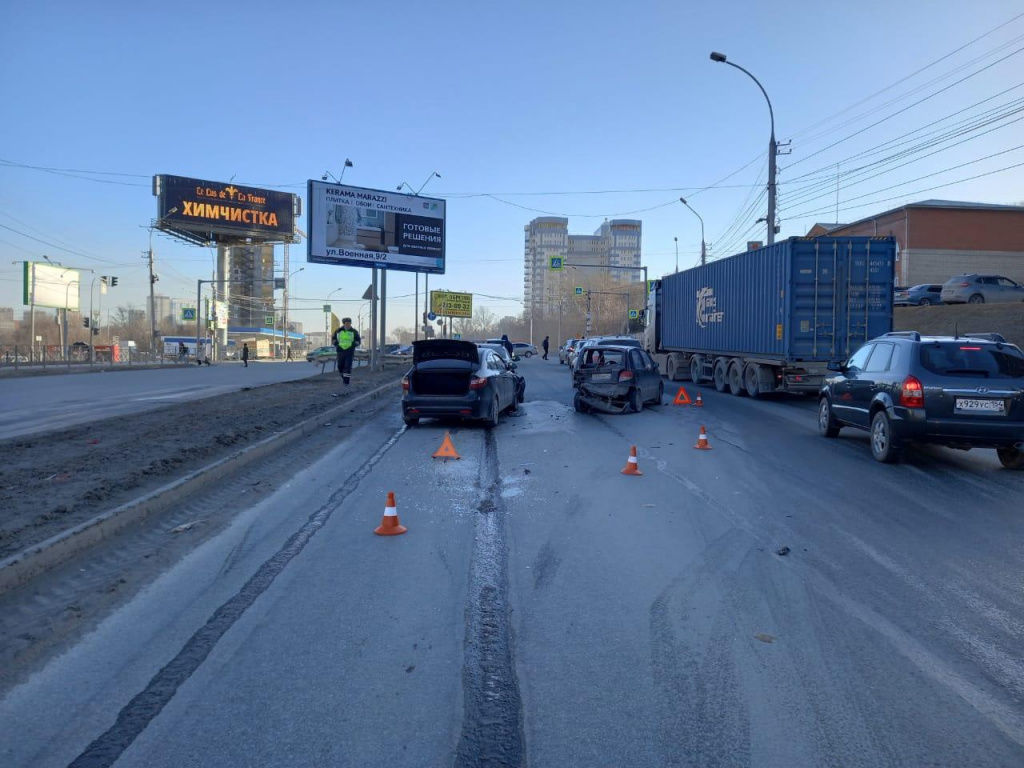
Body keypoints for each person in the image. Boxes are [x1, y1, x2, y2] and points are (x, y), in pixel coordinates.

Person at [333, 317, 362, 386]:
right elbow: (333, 339)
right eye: (347, 323)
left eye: (349, 323)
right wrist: (335, 342)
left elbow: (358, 340)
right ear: (344, 324)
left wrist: (355, 343)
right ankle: (344, 378)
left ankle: (346, 382)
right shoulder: (338, 331)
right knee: (340, 366)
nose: (348, 325)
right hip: (340, 351)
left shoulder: (354, 331)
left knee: (348, 367)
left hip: (349, 351)